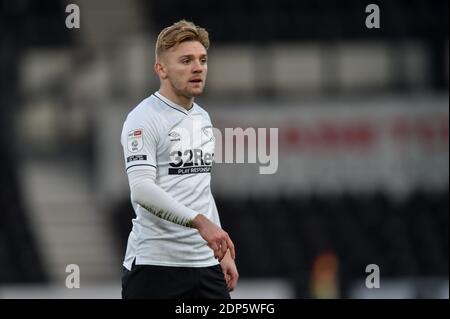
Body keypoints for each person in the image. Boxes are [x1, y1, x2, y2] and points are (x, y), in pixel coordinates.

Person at [120, 20, 238, 299]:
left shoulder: (202, 117)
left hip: (205, 266)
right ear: (161, 69)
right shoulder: (143, 119)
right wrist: (200, 223)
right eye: (186, 61)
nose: (198, 68)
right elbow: (141, 189)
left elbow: (200, 188)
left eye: (202, 60)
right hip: (156, 267)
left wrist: (221, 251)